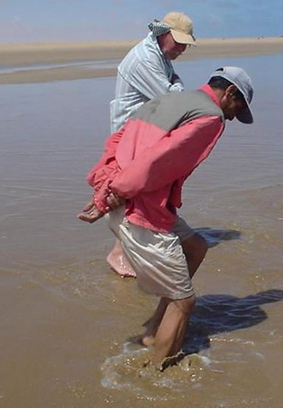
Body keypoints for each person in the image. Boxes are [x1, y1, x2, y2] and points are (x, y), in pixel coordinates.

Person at [81, 66, 254, 368]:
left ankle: (152, 333)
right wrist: (114, 195)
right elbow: (158, 161)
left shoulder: (164, 101)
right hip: (138, 207)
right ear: (229, 93)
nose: (233, 116)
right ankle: (157, 379)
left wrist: (105, 188)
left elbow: (116, 142)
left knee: (196, 246)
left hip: (132, 198)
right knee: (184, 301)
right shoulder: (211, 118)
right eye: (237, 108)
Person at [97, 11, 196, 278]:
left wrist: (175, 86)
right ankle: (118, 252)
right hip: (129, 135)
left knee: (140, 192)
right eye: (179, 43)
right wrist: (176, 87)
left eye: (186, 44)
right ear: (163, 34)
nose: (183, 49)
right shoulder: (144, 59)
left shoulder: (158, 54)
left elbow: (176, 86)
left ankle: (130, 247)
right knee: (128, 192)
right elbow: (170, 96)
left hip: (144, 131)